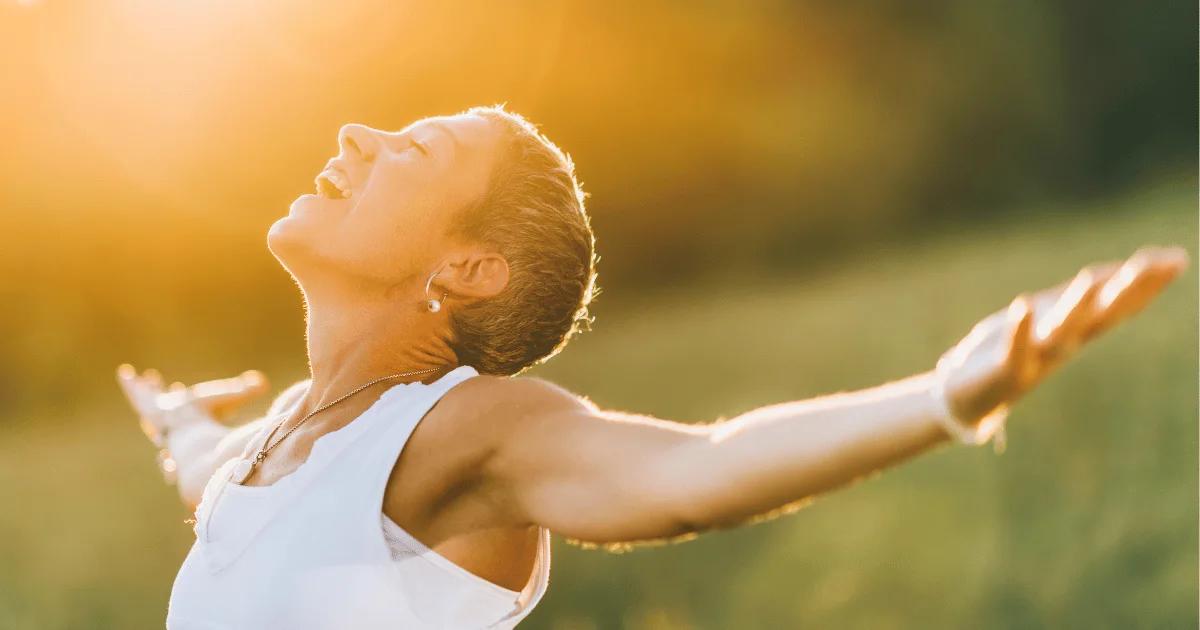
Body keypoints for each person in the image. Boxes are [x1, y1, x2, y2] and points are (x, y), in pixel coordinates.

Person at [116, 105, 1188, 630]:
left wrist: (945, 398)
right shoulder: (288, 441)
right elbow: (217, 478)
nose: (356, 134)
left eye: (413, 152)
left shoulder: (466, 430)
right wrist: (176, 421)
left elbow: (696, 473)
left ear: (468, 266)